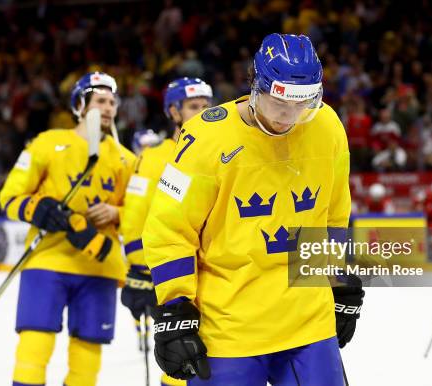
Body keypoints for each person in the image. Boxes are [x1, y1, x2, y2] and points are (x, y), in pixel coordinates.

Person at [142, 33, 363, 385]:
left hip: (309, 322)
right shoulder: (204, 138)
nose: (290, 116)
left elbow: (333, 217)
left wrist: (339, 280)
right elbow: (169, 230)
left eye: (303, 103)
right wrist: (174, 309)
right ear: (256, 85)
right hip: (228, 330)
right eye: (281, 103)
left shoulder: (328, 127)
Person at [0, 71, 135, 386]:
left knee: (87, 359)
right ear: (80, 104)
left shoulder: (127, 160)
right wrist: (37, 209)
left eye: (113, 102)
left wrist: (117, 212)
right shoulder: (48, 143)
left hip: (99, 265)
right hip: (48, 261)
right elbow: (9, 197)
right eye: (100, 100)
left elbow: (144, 215)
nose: (108, 107)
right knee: (35, 344)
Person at [120, 77, 213, 386]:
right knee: (179, 360)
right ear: (173, 112)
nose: (202, 112)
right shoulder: (152, 158)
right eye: (193, 107)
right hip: (175, 275)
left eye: (206, 106)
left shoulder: (222, 152)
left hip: (217, 278)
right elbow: (134, 216)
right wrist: (139, 267)